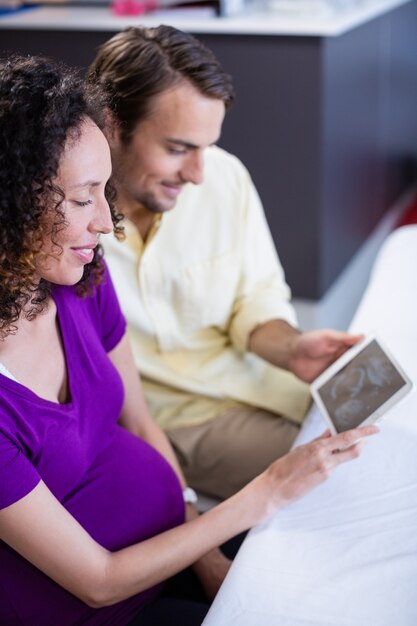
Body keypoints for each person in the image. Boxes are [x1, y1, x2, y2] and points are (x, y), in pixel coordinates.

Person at [0, 55, 378, 626]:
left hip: (169, 546)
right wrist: (265, 492)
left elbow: (142, 426)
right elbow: (98, 582)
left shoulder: (78, 284)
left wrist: (204, 557)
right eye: (84, 199)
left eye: (104, 192)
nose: (106, 222)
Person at [88, 25, 365, 500]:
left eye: (207, 147)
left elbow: (254, 296)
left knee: (390, 429)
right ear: (111, 126)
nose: (198, 173)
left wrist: (293, 348)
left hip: (262, 380)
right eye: (178, 149)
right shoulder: (66, 230)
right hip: (175, 422)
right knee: (355, 477)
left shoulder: (224, 177)